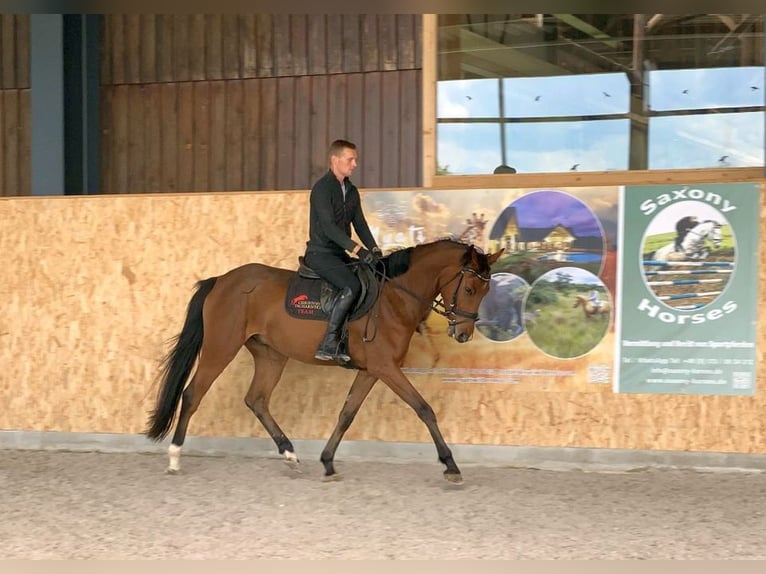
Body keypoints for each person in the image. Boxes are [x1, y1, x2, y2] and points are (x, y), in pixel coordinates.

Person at [303, 139, 382, 363]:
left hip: (339, 255)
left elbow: (360, 224)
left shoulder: (352, 191)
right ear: (335, 160)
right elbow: (328, 228)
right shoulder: (321, 189)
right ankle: (329, 343)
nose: (355, 164)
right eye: (350, 159)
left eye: (355, 159)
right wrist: (358, 250)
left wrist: (374, 249)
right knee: (352, 285)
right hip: (320, 254)